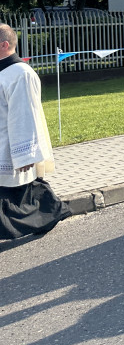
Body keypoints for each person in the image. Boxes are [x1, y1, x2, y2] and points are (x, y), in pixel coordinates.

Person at [0, 23, 70, 240]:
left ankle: (51, 212)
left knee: (20, 191)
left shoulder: (21, 73)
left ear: (3, 45)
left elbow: (25, 115)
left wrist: (25, 154)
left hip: (8, 143)